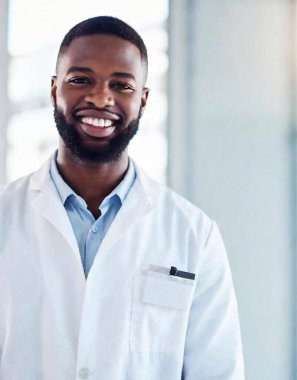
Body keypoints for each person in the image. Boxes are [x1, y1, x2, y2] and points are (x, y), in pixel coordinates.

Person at [0, 16, 244, 380]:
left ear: (143, 99)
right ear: (54, 90)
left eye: (122, 84)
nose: (100, 98)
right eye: (80, 80)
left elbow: (217, 372)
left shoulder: (194, 234)